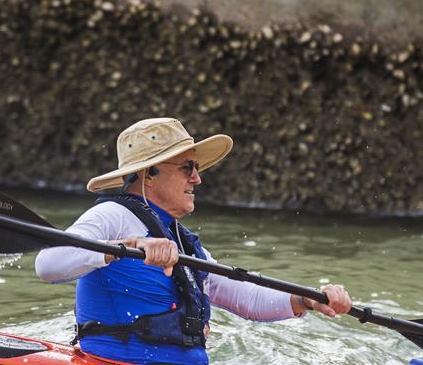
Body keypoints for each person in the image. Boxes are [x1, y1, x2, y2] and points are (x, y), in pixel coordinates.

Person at [35, 117, 352, 364]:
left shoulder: (183, 243)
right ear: (150, 174)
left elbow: (244, 296)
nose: (197, 178)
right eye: (187, 167)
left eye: (197, 168)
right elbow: (48, 264)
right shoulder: (111, 216)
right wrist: (127, 247)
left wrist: (305, 299)